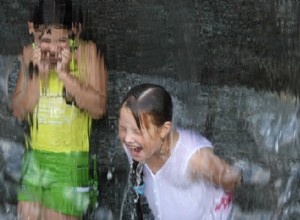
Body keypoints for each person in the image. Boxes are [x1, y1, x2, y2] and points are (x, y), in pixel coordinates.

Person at [11, 0, 107, 219]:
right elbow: (18, 110)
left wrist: (65, 76)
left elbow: (99, 108)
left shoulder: (88, 53)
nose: (53, 49)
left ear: (75, 31)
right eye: (45, 40)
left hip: (70, 163)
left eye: (62, 41)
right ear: (31, 29)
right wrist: (39, 77)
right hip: (34, 159)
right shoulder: (29, 55)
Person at [118, 83, 243, 220]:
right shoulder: (134, 147)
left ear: (164, 130)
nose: (128, 138)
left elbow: (229, 178)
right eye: (123, 128)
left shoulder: (193, 159)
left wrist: (230, 176)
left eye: (137, 131)